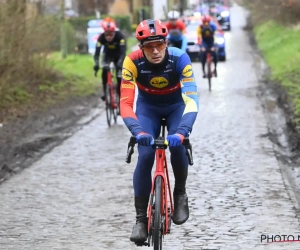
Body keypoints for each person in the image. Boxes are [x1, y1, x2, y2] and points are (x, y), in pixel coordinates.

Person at [120, 19, 199, 244]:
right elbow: (125, 103)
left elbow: (192, 99)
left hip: (176, 107)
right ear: (140, 48)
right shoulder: (132, 62)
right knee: (145, 155)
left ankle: (180, 193)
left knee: (178, 148)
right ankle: (141, 221)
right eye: (148, 47)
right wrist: (137, 131)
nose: (155, 51)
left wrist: (182, 132)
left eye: (160, 45)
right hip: (148, 109)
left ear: (166, 43)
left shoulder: (180, 58)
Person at [93, 17, 126, 102]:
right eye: (106, 34)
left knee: (119, 77)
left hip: (118, 56)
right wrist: (96, 63)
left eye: (110, 34)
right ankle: (105, 92)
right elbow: (97, 52)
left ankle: (120, 98)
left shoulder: (120, 36)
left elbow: (123, 52)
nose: (108, 37)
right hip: (107, 55)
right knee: (104, 70)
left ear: (114, 32)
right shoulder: (101, 38)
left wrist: (120, 63)